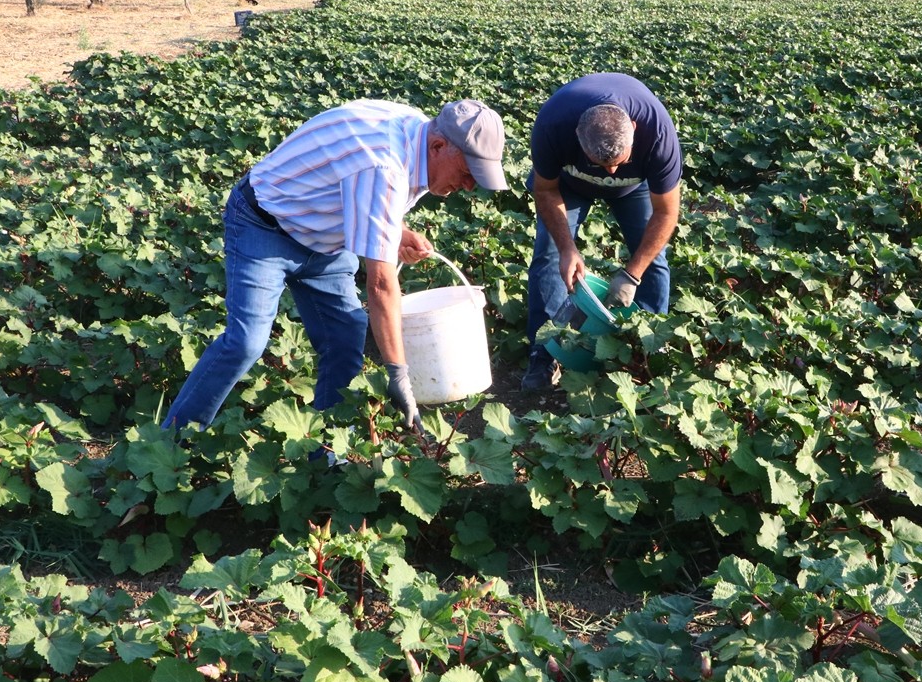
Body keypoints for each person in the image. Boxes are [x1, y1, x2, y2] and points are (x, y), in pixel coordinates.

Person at [162, 99, 508, 436]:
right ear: (437, 146)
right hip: (265, 225)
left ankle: (323, 453)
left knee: (345, 336)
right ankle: (171, 440)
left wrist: (394, 232)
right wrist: (399, 374)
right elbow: (381, 285)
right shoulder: (384, 163)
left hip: (326, 237)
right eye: (466, 174)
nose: (467, 187)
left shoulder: (418, 134)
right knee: (246, 343)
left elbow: (361, 191)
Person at [521, 73, 682, 391]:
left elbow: (666, 212)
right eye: (601, 163)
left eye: (619, 163)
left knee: (653, 259)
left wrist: (632, 274)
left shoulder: (658, 134)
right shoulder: (553, 125)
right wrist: (568, 249)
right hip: (570, 185)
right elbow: (546, 191)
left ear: (634, 130)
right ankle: (544, 353)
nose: (610, 173)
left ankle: (649, 349)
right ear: (577, 136)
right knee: (550, 256)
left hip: (634, 190)